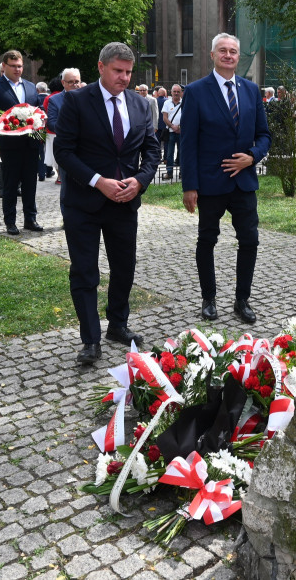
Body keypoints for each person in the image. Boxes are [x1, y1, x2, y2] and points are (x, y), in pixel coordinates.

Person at [53, 42, 161, 366]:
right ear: (100, 68)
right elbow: (64, 152)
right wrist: (98, 180)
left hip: (124, 202)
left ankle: (118, 324)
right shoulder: (75, 101)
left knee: (124, 268)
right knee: (85, 272)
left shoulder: (141, 106)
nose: (125, 78)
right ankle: (90, 340)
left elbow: (152, 151)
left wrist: (140, 180)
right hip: (83, 202)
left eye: (129, 72)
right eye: (118, 71)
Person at [180, 33, 271, 324]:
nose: (228, 55)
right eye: (223, 51)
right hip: (210, 183)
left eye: (233, 51)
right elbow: (189, 142)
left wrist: (253, 156)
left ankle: (242, 299)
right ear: (212, 55)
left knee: (250, 240)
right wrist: (189, 186)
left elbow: (264, 135)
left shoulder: (251, 90)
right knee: (207, 240)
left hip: (243, 182)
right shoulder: (195, 91)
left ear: (238, 56)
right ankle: (209, 299)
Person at [0, 50, 42, 235]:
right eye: (13, 66)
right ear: (4, 66)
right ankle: (10, 221)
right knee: (10, 185)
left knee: (30, 184)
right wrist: (7, 120)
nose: (17, 69)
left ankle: (30, 219)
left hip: (31, 144)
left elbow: (37, 109)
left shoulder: (31, 87)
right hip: (9, 144)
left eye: (20, 66)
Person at [46, 68, 81, 198]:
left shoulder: (89, 96)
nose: (75, 84)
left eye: (77, 81)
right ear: (63, 83)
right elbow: (52, 123)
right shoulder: (55, 100)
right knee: (68, 187)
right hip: (67, 148)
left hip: (88, 148)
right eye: (70, 82)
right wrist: (70, 129)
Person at [161, 84, 183, 180]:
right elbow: (164, 118)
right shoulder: (167, 103)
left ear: (181, 92)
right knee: (170, 153)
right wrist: (172, 126)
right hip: (170, 132)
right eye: (174, 91)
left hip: (182, 132)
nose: (176, 93)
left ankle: (182, 173)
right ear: (171, 92)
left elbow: (187, 117)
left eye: (178, 91)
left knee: (182, 153)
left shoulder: (184, 102)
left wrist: (180, 127)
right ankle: (169, 173)